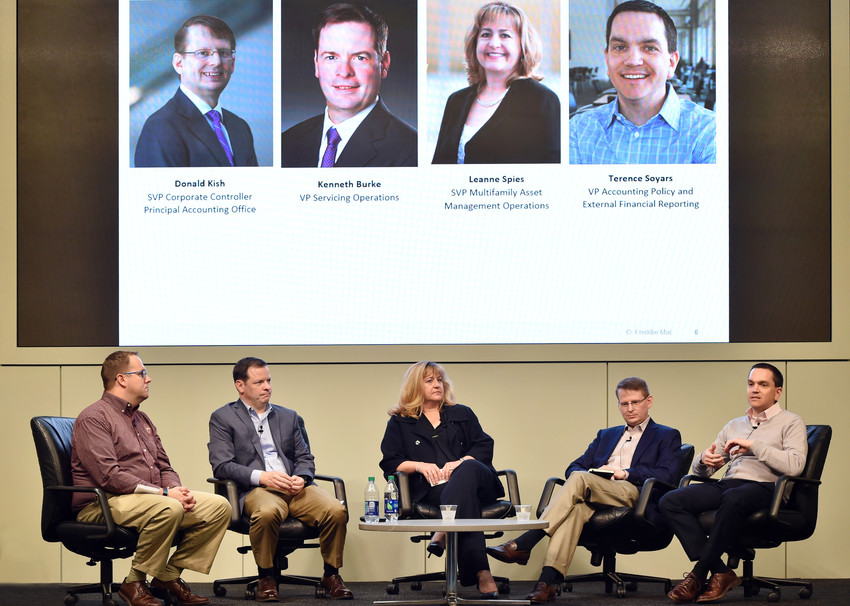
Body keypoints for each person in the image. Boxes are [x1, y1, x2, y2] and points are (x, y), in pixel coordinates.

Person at [487, 377, 682, 604]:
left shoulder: (666, 435)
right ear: (618, 405)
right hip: (594, 491)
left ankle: (526, 542)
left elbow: (668, 475)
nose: (629, 409)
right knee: (576, 509)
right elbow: (574, 466)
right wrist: (597, 473)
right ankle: (547, 582)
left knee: (580, 479)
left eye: (635, 402)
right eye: (624, 404)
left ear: (648, 401)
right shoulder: (606, 435)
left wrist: (625, 473)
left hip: (634, 493)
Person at [71, 351, 231, 606]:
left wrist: (177, 490)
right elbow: (108, 476)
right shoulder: (94, 417)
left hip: (147, 499)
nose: (149, 379)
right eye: (142, 373)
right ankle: (134, 582)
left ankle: (167, 576)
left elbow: (164, 466)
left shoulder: (142, 419)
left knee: (218, 507)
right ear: (122, 379)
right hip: (101, 503)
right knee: (167, 507)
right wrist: (165, 495)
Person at [660, 363, 808, 603]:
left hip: (766, 487)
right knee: (670, 500)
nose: (755, 389)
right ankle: (721, 571)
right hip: (729, 484)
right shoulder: (734, 425)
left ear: (777, 392)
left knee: (734, 497)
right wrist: (702, 461)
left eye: (763, 384)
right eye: (751, 384)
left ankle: (698, 574)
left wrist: (754, 446)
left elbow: (794, 465)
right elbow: (706, 469)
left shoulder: (791, 422)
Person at [208, 357, 352, 602]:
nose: (267, 387)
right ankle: (266, 576)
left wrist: (302, 477)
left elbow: (305, 457)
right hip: (256, 488)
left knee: (335, 510)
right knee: (267, 512)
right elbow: (222, 466)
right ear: (240, 386)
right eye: (259, 382)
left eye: (269, 380)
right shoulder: (223, 417)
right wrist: (262, 477)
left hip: (294, 487)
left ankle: (331, 574)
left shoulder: (288, 417)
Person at [379, 361, 505, 597]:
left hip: (478, 482)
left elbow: (484, 445)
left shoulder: (462, 413)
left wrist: (459, 462)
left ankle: (444, 530)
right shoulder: (400, 421)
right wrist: (420, 465)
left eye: (440, 380)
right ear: (415, 386)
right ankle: (481, 572)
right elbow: (390, 463)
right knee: (464, 500)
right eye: (430, 381)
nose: (437, 385)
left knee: (467, 469)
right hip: (433, 489)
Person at [569, 0, 715, 164]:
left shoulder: (710, 133)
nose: (633, 61)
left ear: (671, 63)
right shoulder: (577, 131)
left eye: (650, 48)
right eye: (620, 47)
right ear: (607, 59)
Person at [281, 3, 417, 167]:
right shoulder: (287, 143)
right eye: (331, 57)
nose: (344, 72)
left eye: (360, 57)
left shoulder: (411, 151)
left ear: (384, 63)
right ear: (316, 63)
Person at [432, 1, 560, 164]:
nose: (493, 43)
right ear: (475, 43)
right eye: (486, 34)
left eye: (504, 35)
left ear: (522, 46)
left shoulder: (543, 101)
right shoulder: (456, 101)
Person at [135, 15, 259, 167]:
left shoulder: (240, 127)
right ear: (179, 63)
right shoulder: (160, 127)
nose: (216, 62)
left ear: (232, 64)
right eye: (203, 53)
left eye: (223, 53)